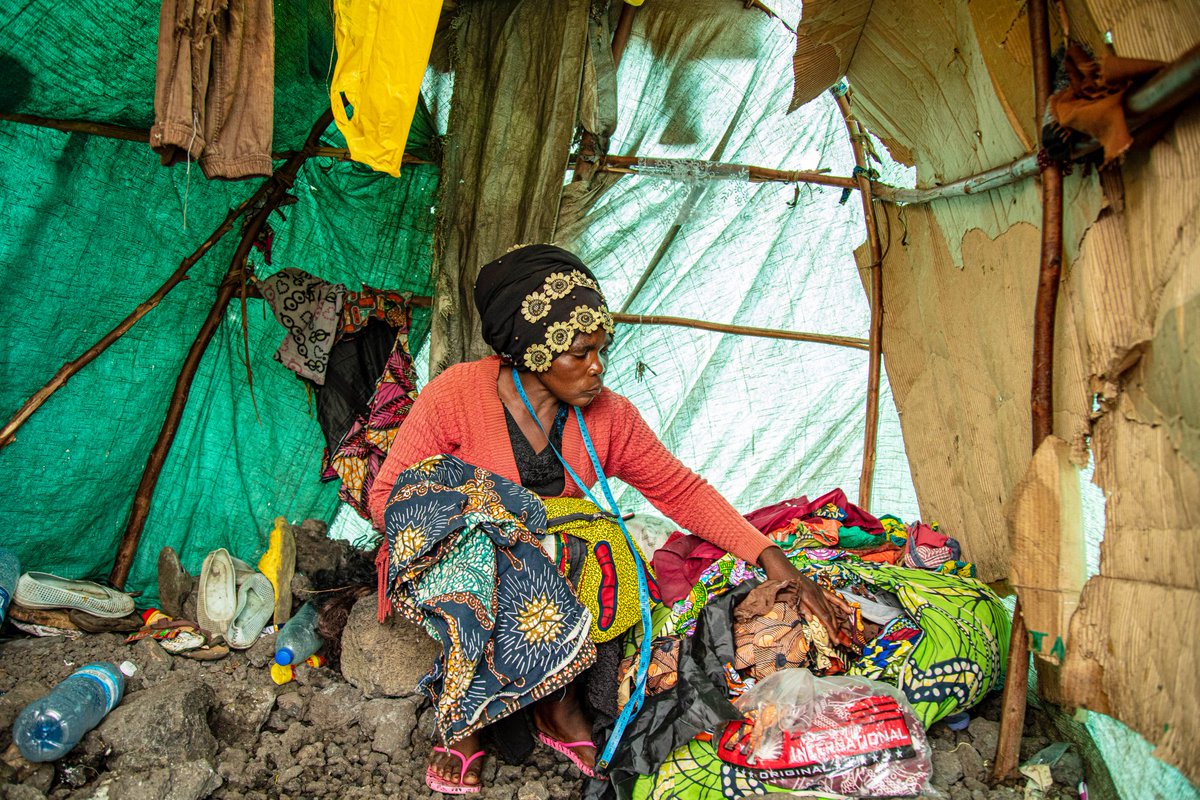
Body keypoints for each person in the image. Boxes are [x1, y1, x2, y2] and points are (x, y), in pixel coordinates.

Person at [368, 244, 854, 794]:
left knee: (597, 542)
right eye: (580, 352)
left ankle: (558, 706)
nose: (597, 366)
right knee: (525, 548)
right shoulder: (456, 394)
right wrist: (491, 516)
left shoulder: (609, 416)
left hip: (549, 564)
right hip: (459, 560)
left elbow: (680, 489)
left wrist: (773, 562)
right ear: (532, 351)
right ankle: (468, 719)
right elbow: (390, 496)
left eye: (602, 350)